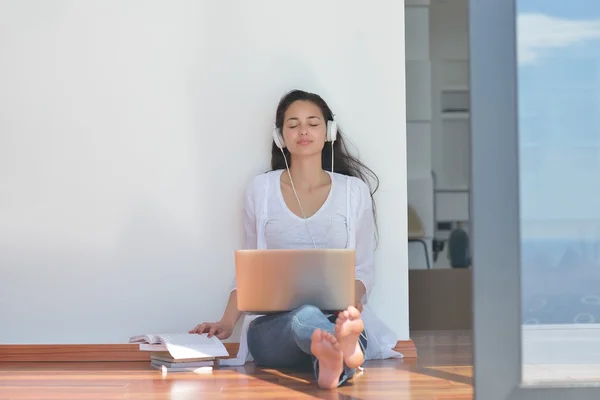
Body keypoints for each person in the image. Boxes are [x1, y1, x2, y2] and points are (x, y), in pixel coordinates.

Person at [189, 89, 401, 389]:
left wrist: (347, 308)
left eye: (313, 123)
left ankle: (333, 362)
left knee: (326, 325)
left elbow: (363, 269)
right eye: (293, 124)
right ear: (280, 136)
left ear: (329, 131)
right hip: (274, 328)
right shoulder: (259, 190)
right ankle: (344, 350)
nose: (303, 130)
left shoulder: (354, 191)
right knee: (305, 317)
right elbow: (250, 271)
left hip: (337, 318)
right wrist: (226, 322)